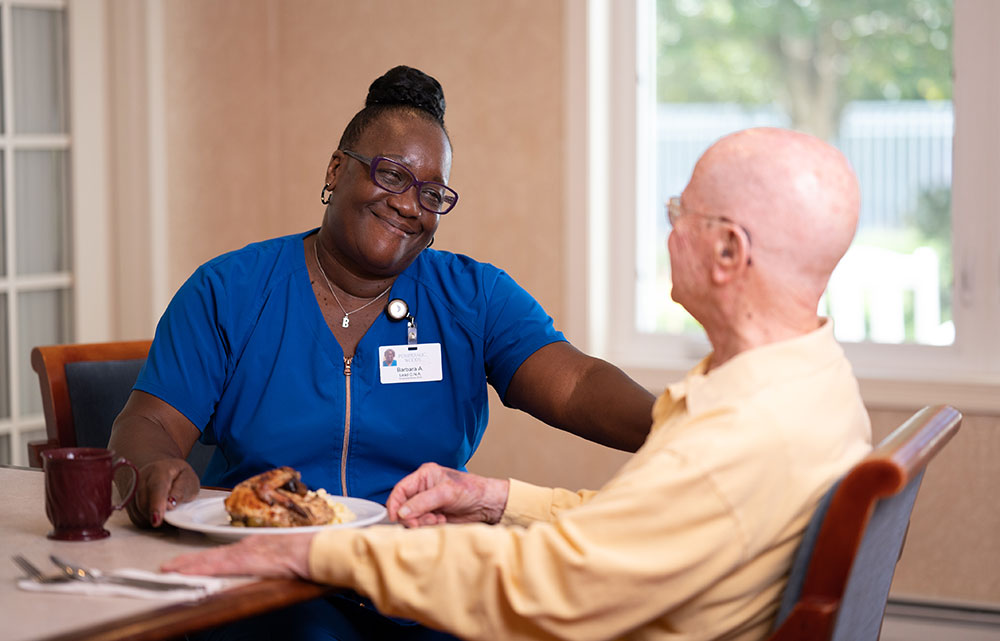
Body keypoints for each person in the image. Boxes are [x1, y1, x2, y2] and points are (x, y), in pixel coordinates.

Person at [163, 127, 874, 641]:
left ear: (727, 251)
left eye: (676, 214)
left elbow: (545, 582)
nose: (669, 234)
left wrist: (316, 549)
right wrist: (498, 498)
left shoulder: (735, 436)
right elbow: (642, 522)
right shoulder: (811, 385)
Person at [110, 65, 654, 639]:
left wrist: (686, 424)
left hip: (419, 581)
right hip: (269, 584)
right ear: (336, 169)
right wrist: (154, 467)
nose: (410, 205)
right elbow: (148, 420)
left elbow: (575, 383)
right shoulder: (230, 290)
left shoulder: (473, 296)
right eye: (392, 175)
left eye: (432, 193)